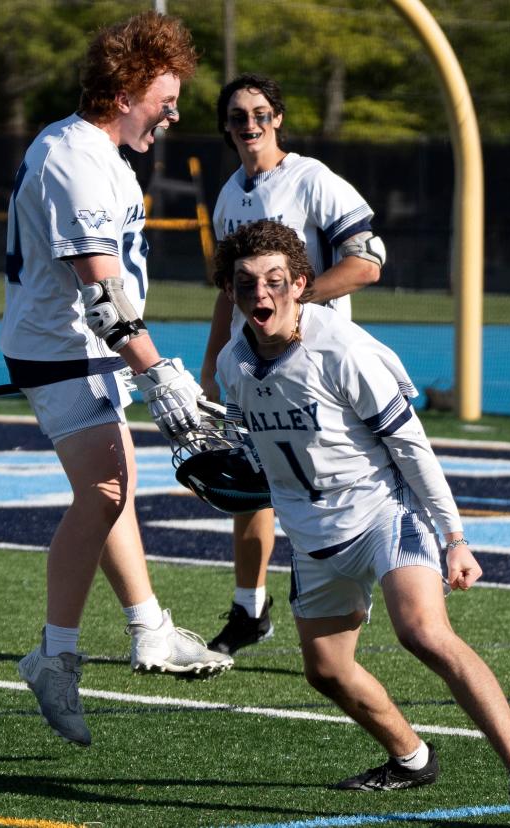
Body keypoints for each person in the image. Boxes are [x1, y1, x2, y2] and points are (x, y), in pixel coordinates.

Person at [211, 220, 510, 821]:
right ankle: (410, 758)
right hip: (313, 533)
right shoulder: (233, 363)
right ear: (231, 291)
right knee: (326, 672)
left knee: (422, 632)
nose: (261, 295)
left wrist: (455, 537)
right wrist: (231, 467)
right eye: (246, 285)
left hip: (384, 511)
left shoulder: (343, 350)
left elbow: (412, 448)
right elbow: (258, 449)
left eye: (275, 281)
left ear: (301, 284)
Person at [0, 11, 232, 748]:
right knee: (103, 491)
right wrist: (158, 369)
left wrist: (144, 363)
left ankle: (149, 628)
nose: (174, 110)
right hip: (62, 347)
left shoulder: (99, 154)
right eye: (166, 95)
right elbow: (101, 293)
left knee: (117, 486)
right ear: (128, 87)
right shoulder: (73, 158)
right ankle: (54, 655)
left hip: (85, 347)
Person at [199, 73, 386, 656]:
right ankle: (249, 609)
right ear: (226, 127)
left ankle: (368, 591)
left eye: (259, 113)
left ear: (278, 118)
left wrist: (293, 301)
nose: (249, 124)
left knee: (326, 483)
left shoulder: (312, 179)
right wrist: (212, 361)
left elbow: (367, 264)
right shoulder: (230, 193)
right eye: (236, 116)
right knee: (252, 481)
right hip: (251, 363)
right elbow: (228, 291)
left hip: (314, 363)